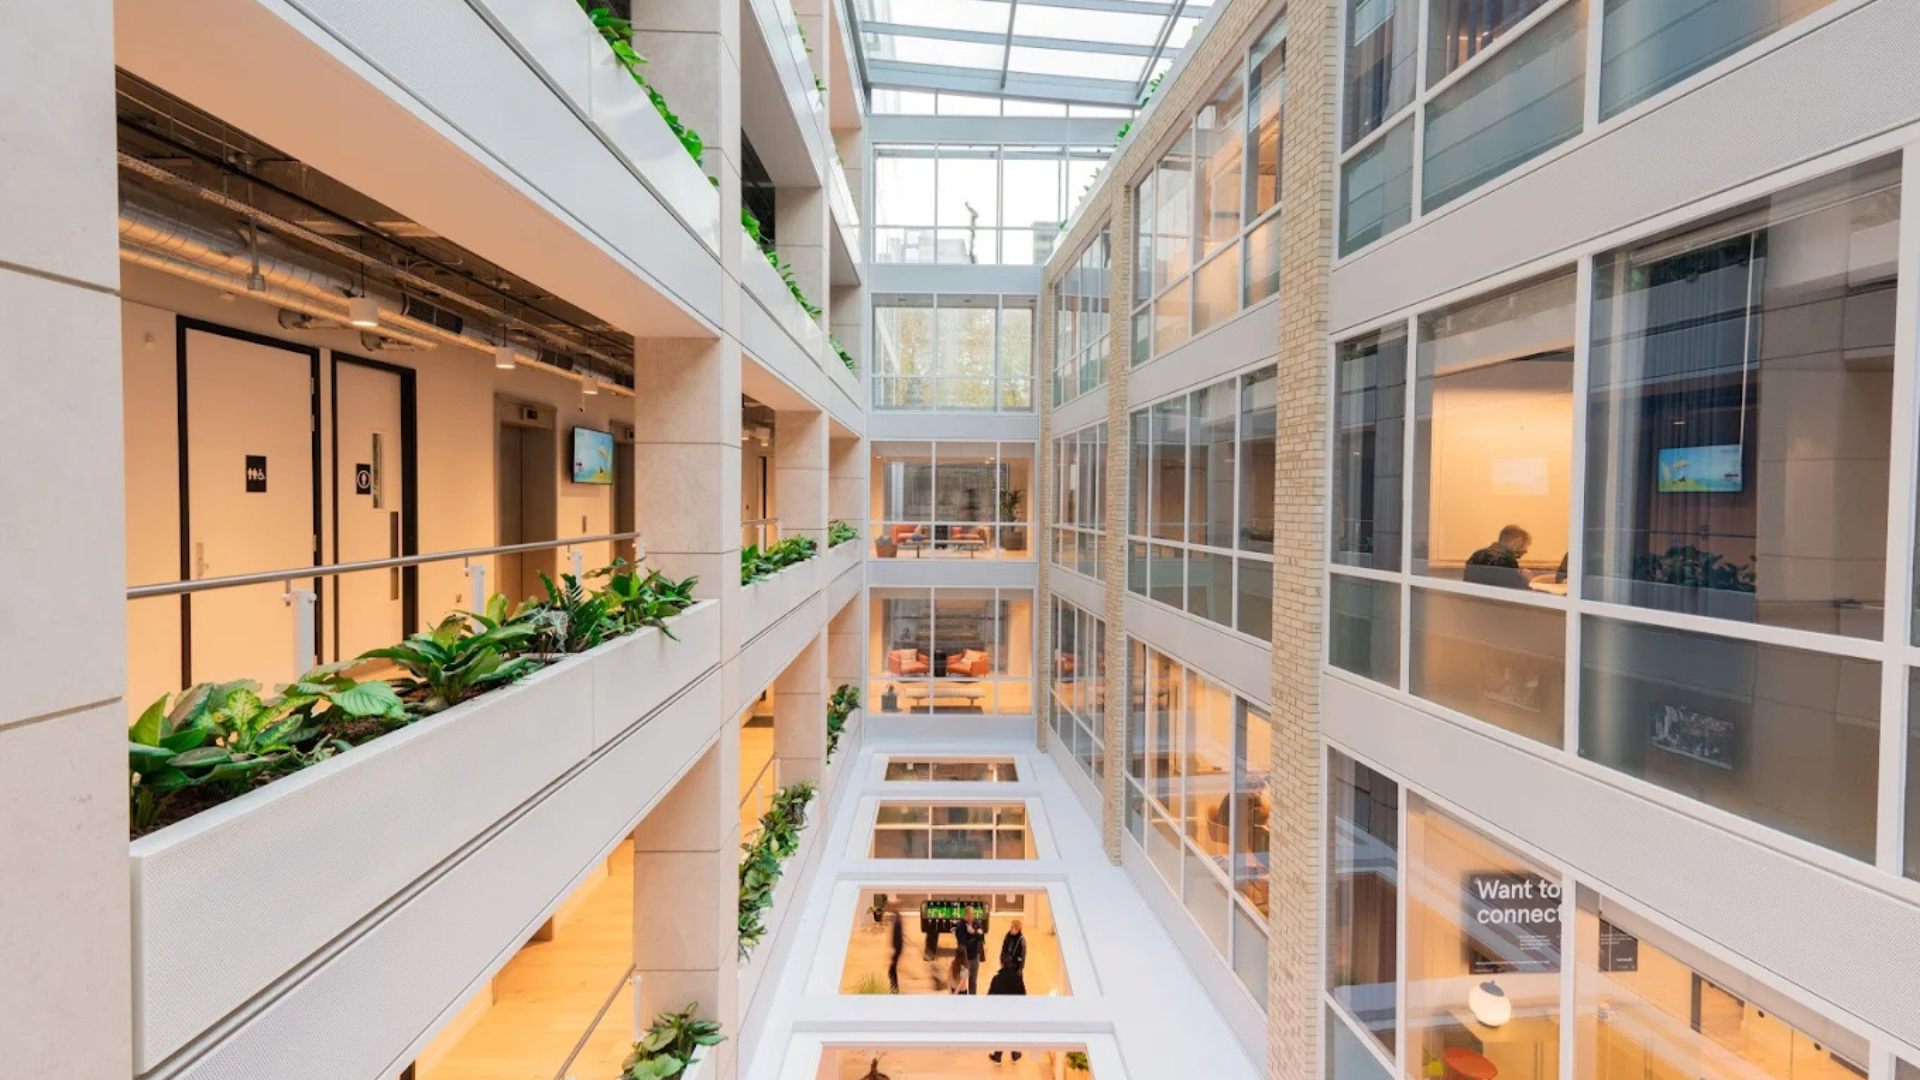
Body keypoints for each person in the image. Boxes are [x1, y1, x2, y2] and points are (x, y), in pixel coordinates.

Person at [987, 920, 1029, 1064]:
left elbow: (990, 996)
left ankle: (1000, 1055)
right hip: (1013, 1008)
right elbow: (1023, 994)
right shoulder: (1017, 980)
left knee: (1003, 1030)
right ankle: (1014, 1053)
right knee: (1012, 1028)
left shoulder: (997, 979)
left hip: (1001, 1009)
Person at [1463, 525, 1534, 589]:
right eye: (1527, 545)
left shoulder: (1477, 554)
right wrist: (1524, 580)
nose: (1526, 550)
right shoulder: (1507, 560)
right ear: (1519, 541)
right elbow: (1515, 592)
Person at [954, 911, 985, 996]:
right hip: (963, 958)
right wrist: (975, 937)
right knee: (961, 981)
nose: (970, 918)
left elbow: (982, 938)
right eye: (968, 916)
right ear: (965, 916)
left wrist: (973, 933)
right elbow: (963, 943)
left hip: (974, 957)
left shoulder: (977, 923)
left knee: (973, 981)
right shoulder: (960, 926)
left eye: (972, 916)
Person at [887, 905, 905, 994]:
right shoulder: (897, 918)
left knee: (891, 971)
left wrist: (896, 950)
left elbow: (897, 937)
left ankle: (894, 989)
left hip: (897, 949)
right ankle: (894, 989)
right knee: (892, 970)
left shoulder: (897, 920)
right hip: (897, 948)